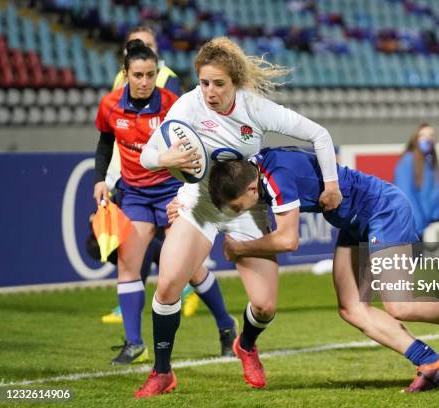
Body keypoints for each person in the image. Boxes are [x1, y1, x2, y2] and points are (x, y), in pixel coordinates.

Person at [201, 147, 439, 393]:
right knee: (351, 308)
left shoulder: (275, 179)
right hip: (354, 221)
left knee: (399, 304)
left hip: (383, 210)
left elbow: (288, 240)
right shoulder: (254, 170)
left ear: (251, 189)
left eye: (241, 206)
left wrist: (239, 248)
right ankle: (430, 361)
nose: (245, 212)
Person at [133, 37, 342, 398]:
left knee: (264, 306)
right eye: (203, 83)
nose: (210, 92)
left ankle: (245, 344)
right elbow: (148, 156)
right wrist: (166, 160)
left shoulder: (255, 108)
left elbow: (319, 135)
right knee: (167, 286)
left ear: (236, 83)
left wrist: (331, 183)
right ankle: (162, 372)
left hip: (246, 206)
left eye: (219, 84)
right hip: (200, 203)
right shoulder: (187, 106)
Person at [94, 39, 236, 365]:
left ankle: (226, 326)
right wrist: (100, 178)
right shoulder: (110, 105)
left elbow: (200, 146)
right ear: (125, 74)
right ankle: (134, 343)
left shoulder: (173, 104)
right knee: (129, 263)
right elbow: (104, 142)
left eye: (150, 75)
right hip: (135, 194)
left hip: (172, 193)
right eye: (138, 75)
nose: (144, 82)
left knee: (191, 269)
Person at [101, 25, 203, 325]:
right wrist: (108, 175)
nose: (140, 49)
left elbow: (178, 130)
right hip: (130, 178)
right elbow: (116, 132)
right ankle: (141, 302)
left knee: (166, 246)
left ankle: (191, 287)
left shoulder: (168, 81)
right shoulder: (120, 82)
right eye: (134, 44)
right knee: (135, 246)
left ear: (155, 51)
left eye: (146, 44)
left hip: (164, 180)